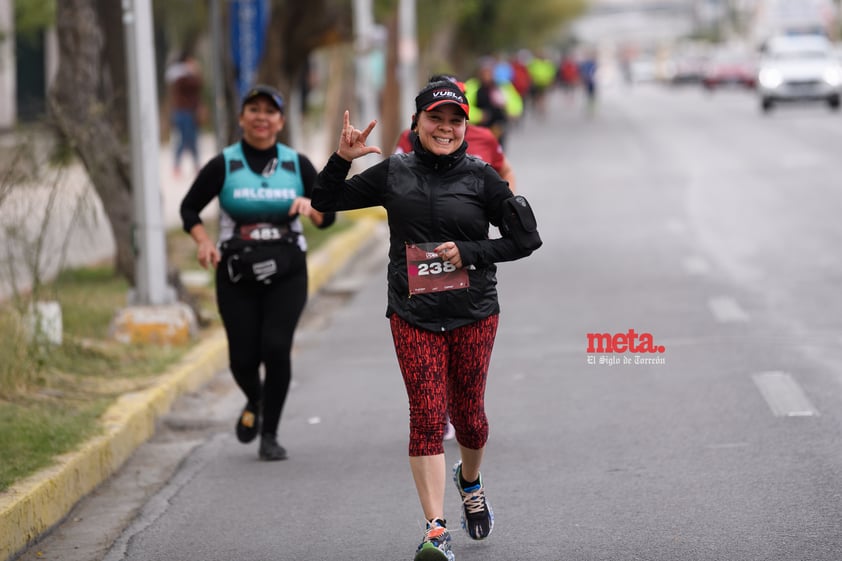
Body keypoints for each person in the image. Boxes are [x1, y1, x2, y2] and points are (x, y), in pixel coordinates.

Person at [312, 80, 541, 561]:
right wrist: (342, 159)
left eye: (455, 120)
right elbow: (324, 200)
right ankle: (435, 529)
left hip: (473, 314)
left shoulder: (482, 178)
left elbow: (525, 240)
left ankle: (470, 481)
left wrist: (472, 252)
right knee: (426, 418)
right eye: (436, 118)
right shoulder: (392, 173)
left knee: (471, 421)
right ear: (416, 123)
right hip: (413, 315)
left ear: (465, 127)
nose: (446, 128)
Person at [180, 84, 336, 461]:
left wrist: (309, 208)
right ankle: (256, 398)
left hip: (287, 269)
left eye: (270, 111)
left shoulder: (297, 164)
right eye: (254, 110)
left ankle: (270, 435)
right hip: (236, 272)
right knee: (242, 359)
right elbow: (189, 209)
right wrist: (203, 241)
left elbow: (327, 216)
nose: (262, 117)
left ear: (280, 121)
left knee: (277, 347)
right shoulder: (225, 163)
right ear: (241, 118)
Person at [393, 75, 517, 193]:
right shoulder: (409, 138)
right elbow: (392, 180)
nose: (446, 128)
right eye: (435, 116)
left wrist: (507, 206)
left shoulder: (485, 137)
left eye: (458, 96)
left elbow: (506, 172)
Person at [166, 51, 204, 177]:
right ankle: (178, 165)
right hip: (182, 112)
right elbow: (191, 86)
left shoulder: (190, 77)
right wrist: (192, 73)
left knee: (192, 139)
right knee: (184, 139)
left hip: (190, 112)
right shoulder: (180, 77)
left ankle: (196, 164)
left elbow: (198, 87)